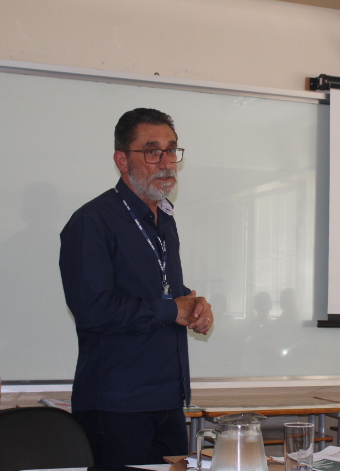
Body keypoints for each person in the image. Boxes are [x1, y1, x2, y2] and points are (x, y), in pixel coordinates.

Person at [59, 108, 213, 470]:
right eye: (152, 151)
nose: (166, 162)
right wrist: (170, 309)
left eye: (171, 150)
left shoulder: (164, 219)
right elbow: (93, 309)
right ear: (122, 160)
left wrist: (193, 305)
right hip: (116, 407)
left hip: (168, 400)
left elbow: (161, 288)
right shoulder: (92, 221)